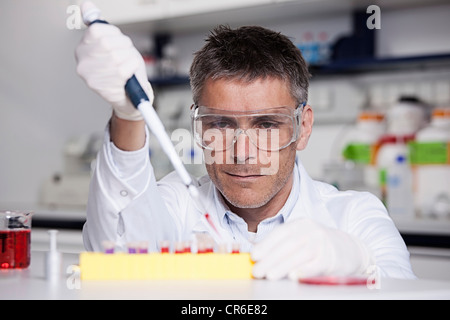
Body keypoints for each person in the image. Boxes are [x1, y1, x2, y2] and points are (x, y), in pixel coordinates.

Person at [75, 23, 416, 280]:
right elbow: (114, 254)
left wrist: (362, 264)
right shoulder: (178, 205)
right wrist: (128, 115)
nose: (242, 153)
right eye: (221, 124)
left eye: (267, 125)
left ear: (303, 127)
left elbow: (404, 289)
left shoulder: (354, 216)